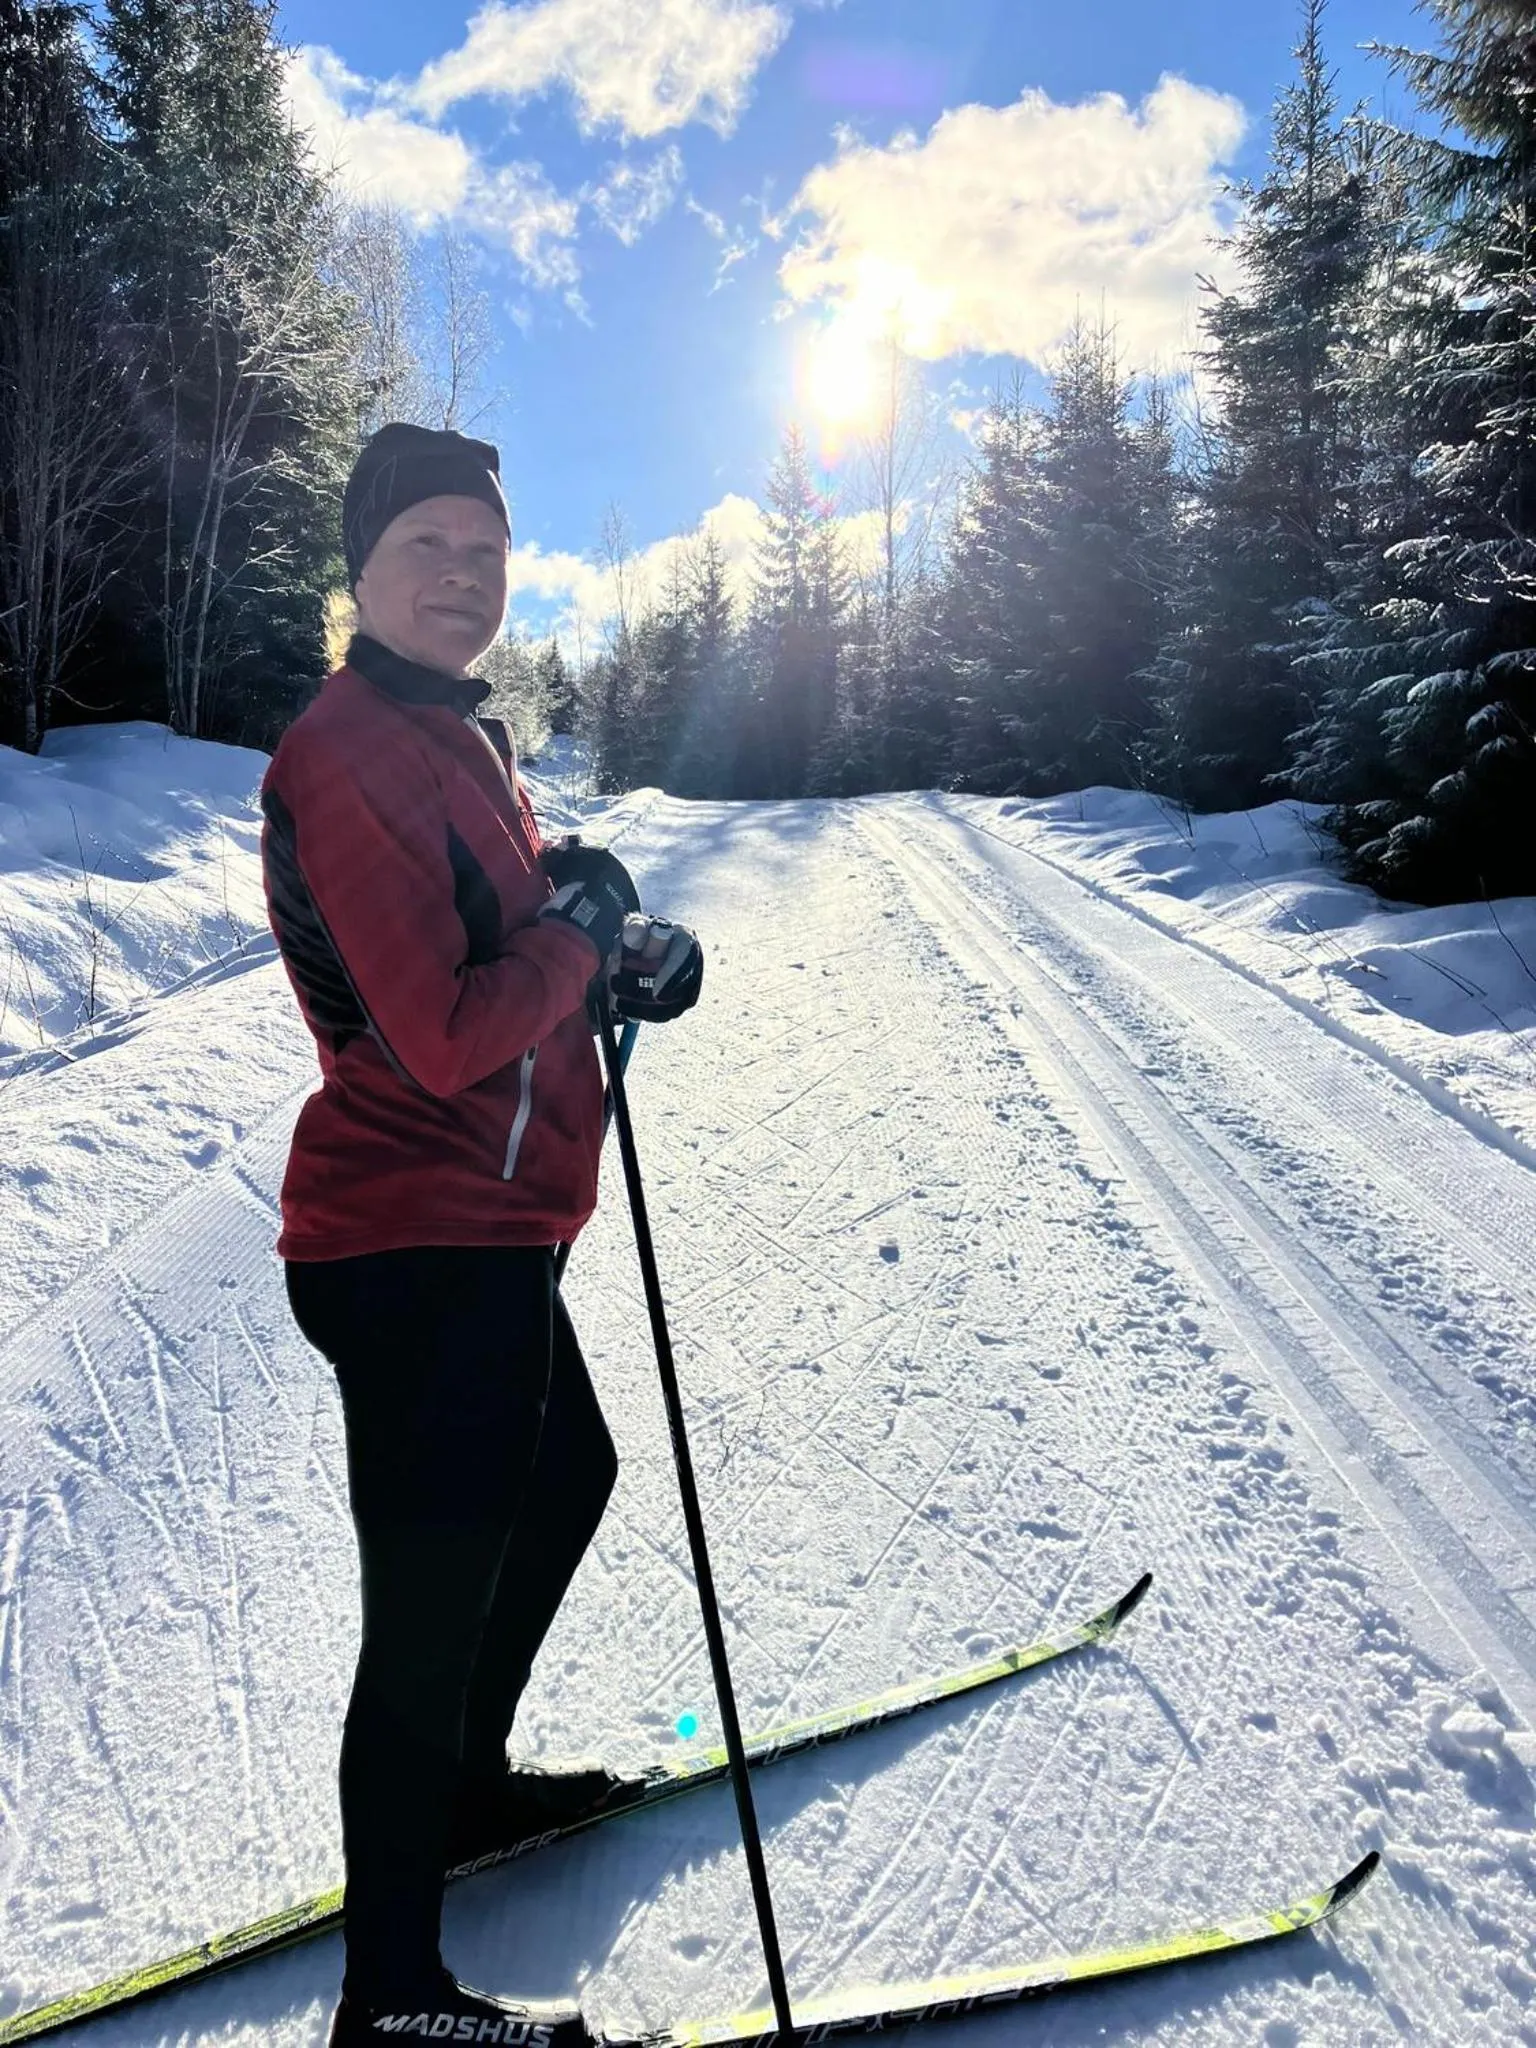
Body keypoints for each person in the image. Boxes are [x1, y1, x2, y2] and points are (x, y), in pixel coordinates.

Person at [259, 423, 703, 2047]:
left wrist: (616, 942)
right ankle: (392, 2000)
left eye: (486, 551)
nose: (462, 576)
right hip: (407, 1235)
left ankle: (465, 1790)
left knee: (565, 1475)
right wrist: (580, 954)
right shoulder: (347, 746)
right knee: (427, 1604)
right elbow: (442, 1031)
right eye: (426, 546)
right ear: (361, 573)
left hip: (497, 1225)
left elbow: (528, 935)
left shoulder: (460, 738)